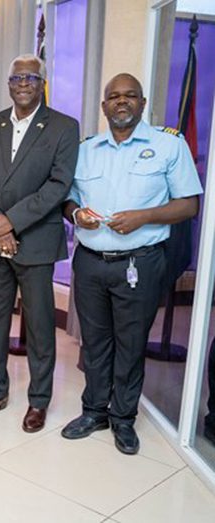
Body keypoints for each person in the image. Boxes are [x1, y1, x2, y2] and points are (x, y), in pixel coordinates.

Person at [60, 73, 202, 455]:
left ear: (141, 103)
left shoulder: (168, 145)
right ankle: (94, 411)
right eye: (113, 97)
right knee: (95, 341)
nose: (121, 102)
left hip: (139, 262)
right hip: (89, 263)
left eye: (130, 96)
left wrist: (144, 217)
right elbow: (67, 200)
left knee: (130, 342)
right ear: (104, 105)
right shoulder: (86, 149)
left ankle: (123, 418)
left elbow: (189, 204)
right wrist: (77, 216)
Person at [0, 54, 79, 433]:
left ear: (42, 82)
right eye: (17, 78)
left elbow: (58, 186)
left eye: (31, 77)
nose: (24, 83)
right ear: (9, 83)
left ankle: (39, 400)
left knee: (41, 326)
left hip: (36, 242)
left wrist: (10, 222)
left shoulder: (63, 127)